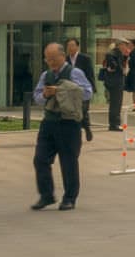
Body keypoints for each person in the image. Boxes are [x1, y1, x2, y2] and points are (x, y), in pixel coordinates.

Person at [31, 42, 90, 211]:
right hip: (49, 122)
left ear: (62, 56)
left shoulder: (75, 72)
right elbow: (37, 97)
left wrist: (63, 90)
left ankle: (69, 198)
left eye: (54, 59)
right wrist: (45, 94)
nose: (51, 63)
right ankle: (46, 195)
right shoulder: (45, 75)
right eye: (48, 59)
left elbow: (87, 92)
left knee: (68, 161)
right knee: (40, 159)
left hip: (69, 123)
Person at [65, 38, 96, 144]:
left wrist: (92, 89)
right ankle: (75, 133)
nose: (70, 48)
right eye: (69, 46)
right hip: (70, 91)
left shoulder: (85, 59)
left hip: (83, 91)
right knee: (72, 112)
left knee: (83, 111)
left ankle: (87, 128)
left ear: (77, 47)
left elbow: (90, 75)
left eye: (72, 45)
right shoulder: (65, 60)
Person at [100, 41, 128, 131]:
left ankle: (115, 123)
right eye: (125, 45)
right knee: (116, 104)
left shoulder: (117, 53)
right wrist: (121, 70)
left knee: (116, 103)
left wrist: (125, 57)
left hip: (116, 81)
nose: (125, 48)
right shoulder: (113, 54)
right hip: (115, 82)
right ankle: (114, 124)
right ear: (120, 45)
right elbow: (115, 66)